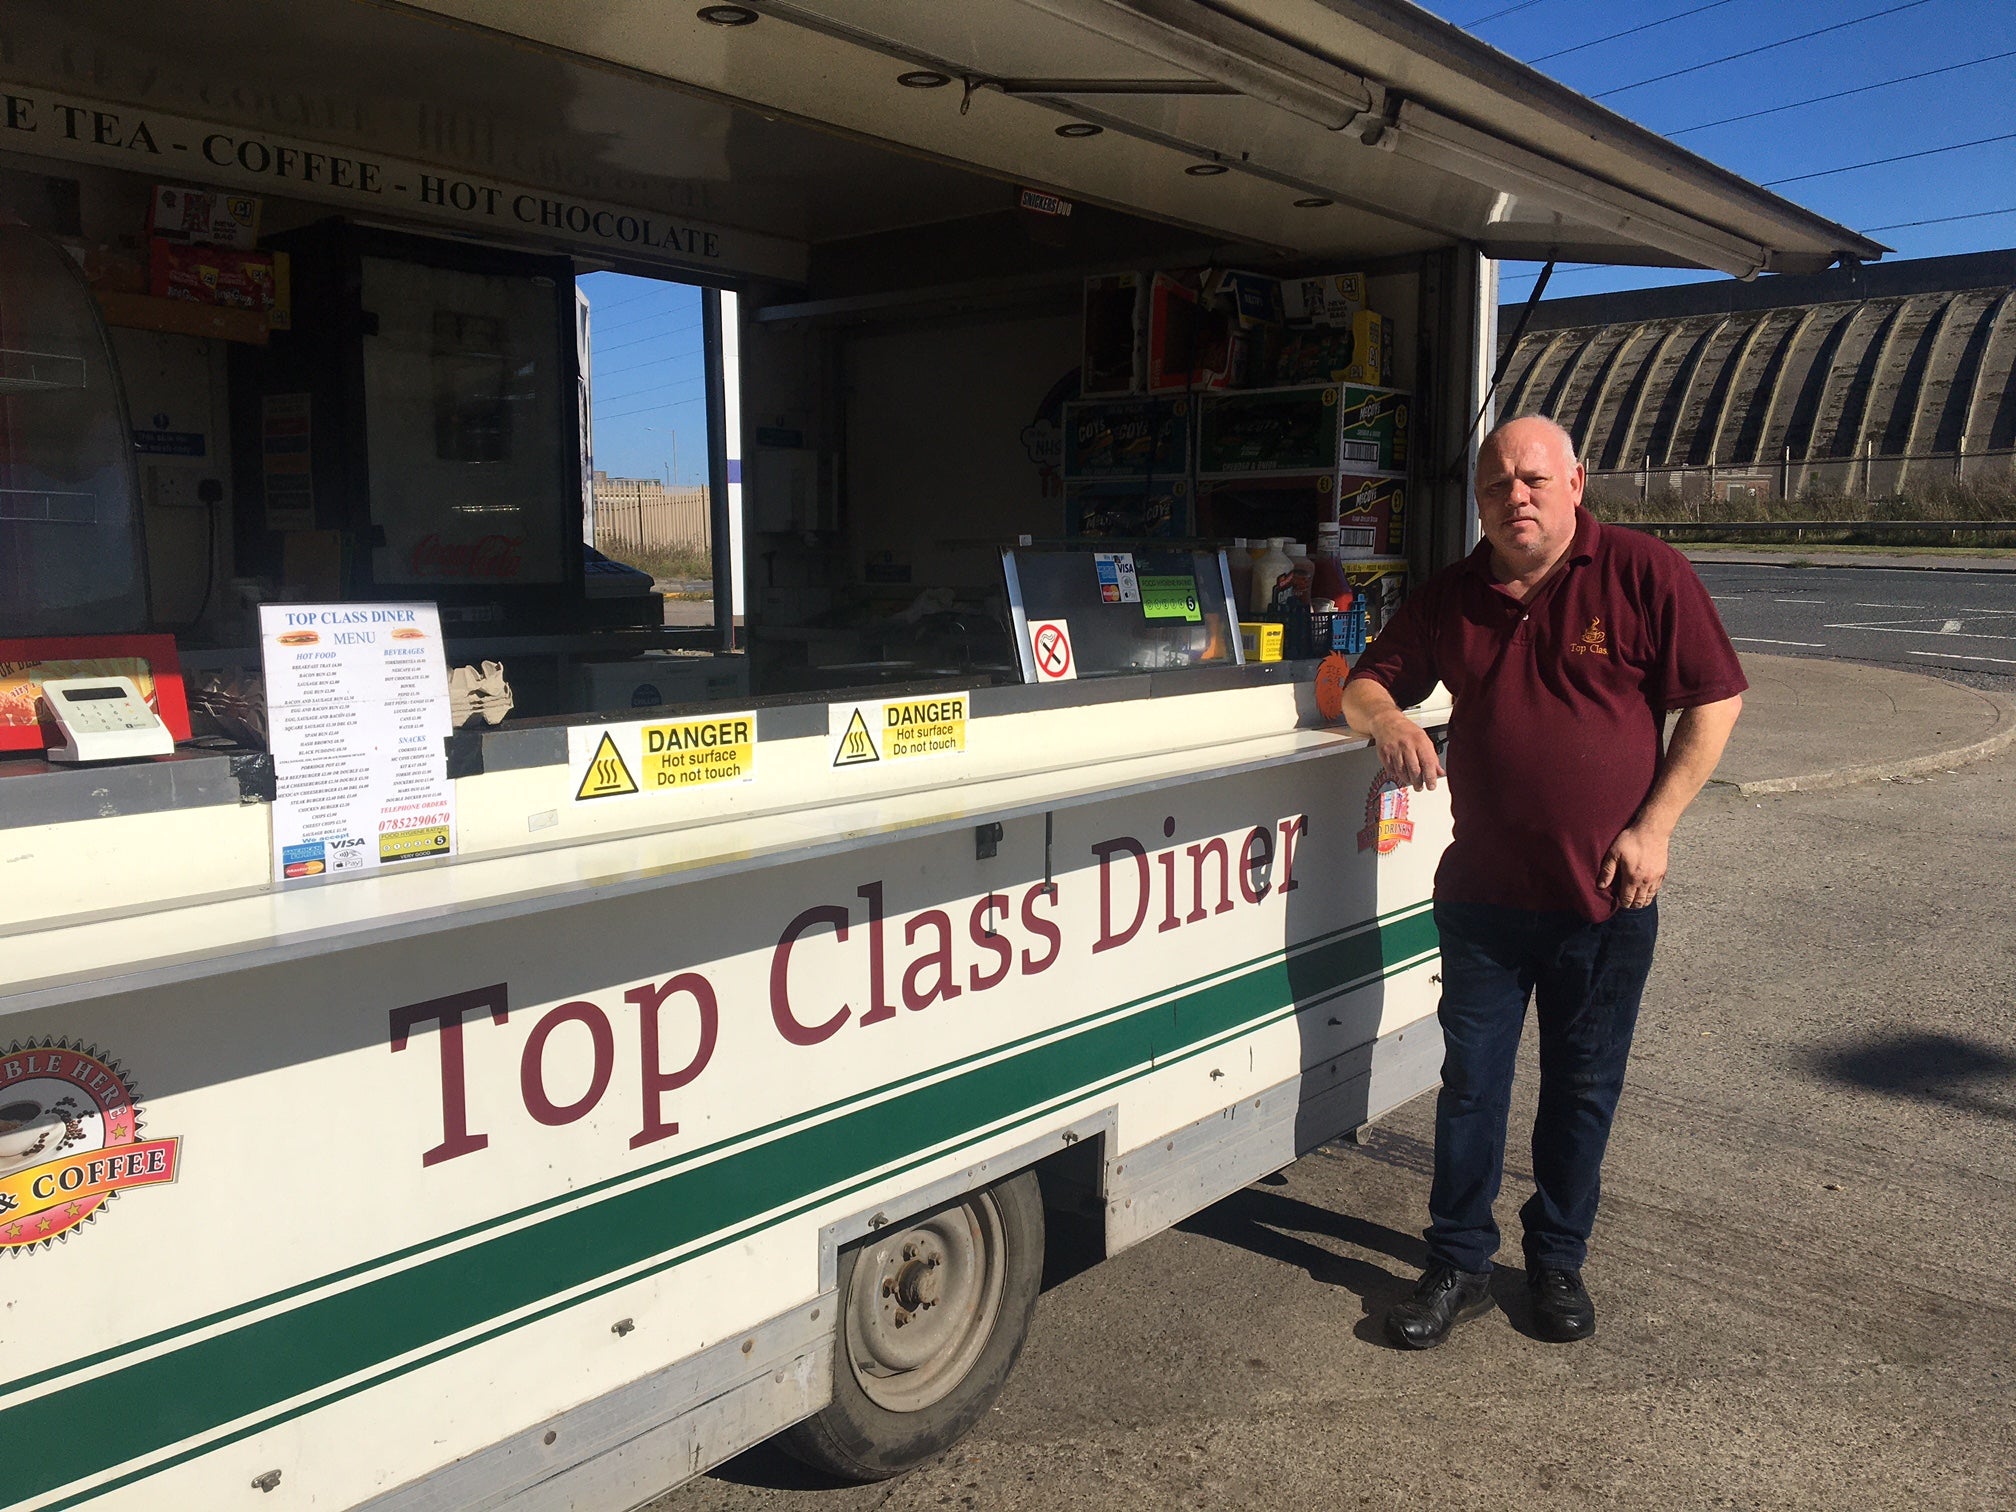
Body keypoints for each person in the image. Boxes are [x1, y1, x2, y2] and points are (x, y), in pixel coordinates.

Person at [1339, 415, 1745, 1349]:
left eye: (1530, 479)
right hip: (1482, 897)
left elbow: (1715, 697)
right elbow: (1363, 686)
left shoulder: (1644, 573)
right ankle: (1458, 1263)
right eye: (1494, 485)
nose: (1513, 496)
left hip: (1603, 900)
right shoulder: (1452, 595)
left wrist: (1657, 825)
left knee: (1580, 1088)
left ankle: (1557, 1262)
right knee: (1471, 1088)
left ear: (1575, 482)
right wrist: (1389, 725)